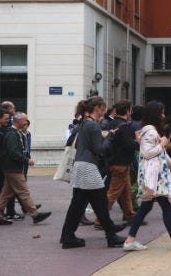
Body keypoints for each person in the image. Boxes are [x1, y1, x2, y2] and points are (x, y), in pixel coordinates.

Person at [122, 101, 171, 252]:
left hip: (154, 175)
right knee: (166, 207)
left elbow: (161, 154)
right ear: (156, 114)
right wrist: (162, 144)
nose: (163, 116)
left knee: (146, 207)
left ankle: (130, 240)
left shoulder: (151, 131)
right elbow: (147, 153)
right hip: (155, 176)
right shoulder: (150, 132)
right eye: (161, 112)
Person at [60, 97, 127, 249]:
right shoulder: (93, 126)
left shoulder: (84, 123)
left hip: (81, 166)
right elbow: (100, 150)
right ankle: (110, 234)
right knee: (98, 202)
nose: (105, 112)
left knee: (80, 204)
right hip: (89, 167)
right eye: (103, 109)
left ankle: (68, 236)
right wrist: (110, 136)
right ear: (97, 108)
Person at [0, 112, 51, 226]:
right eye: (24, 120)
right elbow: (13, 152)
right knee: (24, 192)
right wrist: (26, 160)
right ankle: (35, 215)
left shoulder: (14, 132)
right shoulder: (12, 134)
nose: (26, 122)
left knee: (5, 194)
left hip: (10, 167)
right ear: (18, 121)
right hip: (13, 168)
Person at [97, 100, 138, 226]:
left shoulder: (112, 123)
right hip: (121, 163)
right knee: (113, 193)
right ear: (127, 111)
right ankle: (100, 219)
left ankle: (129, 215)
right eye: (130, 110)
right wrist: (138, 143)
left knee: (126, 192)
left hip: (115, 161)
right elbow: (128, 144)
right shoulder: (124, 126)